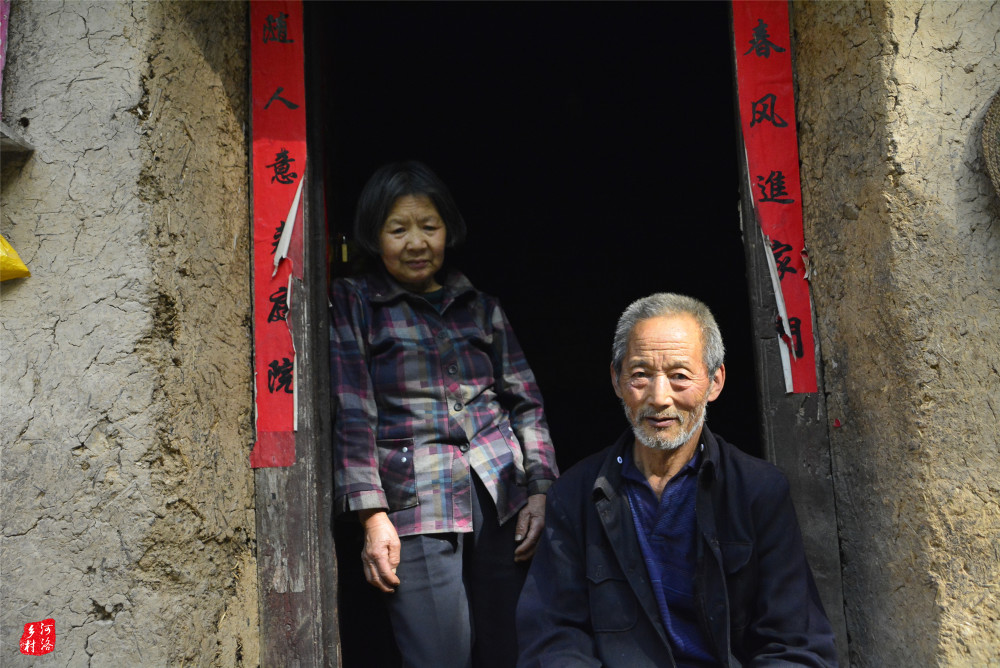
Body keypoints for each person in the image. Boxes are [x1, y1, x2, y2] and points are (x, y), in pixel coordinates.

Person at [516, 293, 838, 667]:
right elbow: (553, 638)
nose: (659, 397)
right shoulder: (573, 496)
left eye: (679, 376)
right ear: (616, 380)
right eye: (640, 375)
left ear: (715, 382)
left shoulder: (757, 491)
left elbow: (796, 645)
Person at [330, 160, 559, 668]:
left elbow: (526, 401)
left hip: (502, 495)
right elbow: (352, 411)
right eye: (399, 229)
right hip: (414, 499)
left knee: (513, 647)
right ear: (374, 235)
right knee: (439, 654)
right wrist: (372, 516)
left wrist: (541, 490)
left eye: (429, 227)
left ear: (448, 230)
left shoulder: (480, 306)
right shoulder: (357, 303)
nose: (416, 243)